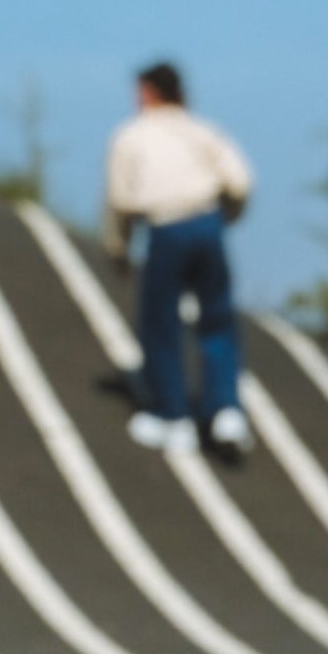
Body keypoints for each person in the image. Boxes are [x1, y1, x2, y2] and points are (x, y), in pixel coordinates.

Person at [104, 61, 255, 456]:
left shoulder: (131, 136)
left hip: (166, 229)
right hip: (208, 223)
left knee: (161, 322)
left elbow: (119, 201)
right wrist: (226, 218)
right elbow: (240, 181)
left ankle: (173, 415)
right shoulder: (203, 131)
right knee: (217, 318)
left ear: (148, 92)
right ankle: (225, 409)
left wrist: (118, 250)